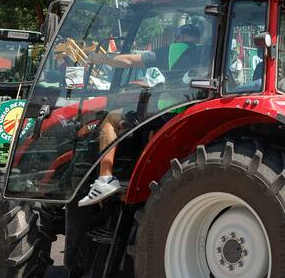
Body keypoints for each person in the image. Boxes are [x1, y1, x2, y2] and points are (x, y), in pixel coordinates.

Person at [80, 24, 205, 206]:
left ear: (179, 37)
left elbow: (129, 60)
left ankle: (105, 178)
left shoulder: (172, 50)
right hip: (192, 111)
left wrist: (99, 58)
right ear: (198, 38)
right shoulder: (206, 52)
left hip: (169, 111)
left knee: (111, 119)